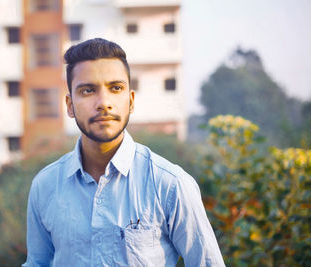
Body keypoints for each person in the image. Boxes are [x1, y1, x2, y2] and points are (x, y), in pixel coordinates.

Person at [23, 38, 225, 267]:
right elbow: (37, 262)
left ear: (130, 101)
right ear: (69, 105)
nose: (104, 103)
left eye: (115, 88)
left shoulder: (170, 185)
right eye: (88, 90)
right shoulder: (45, 186)